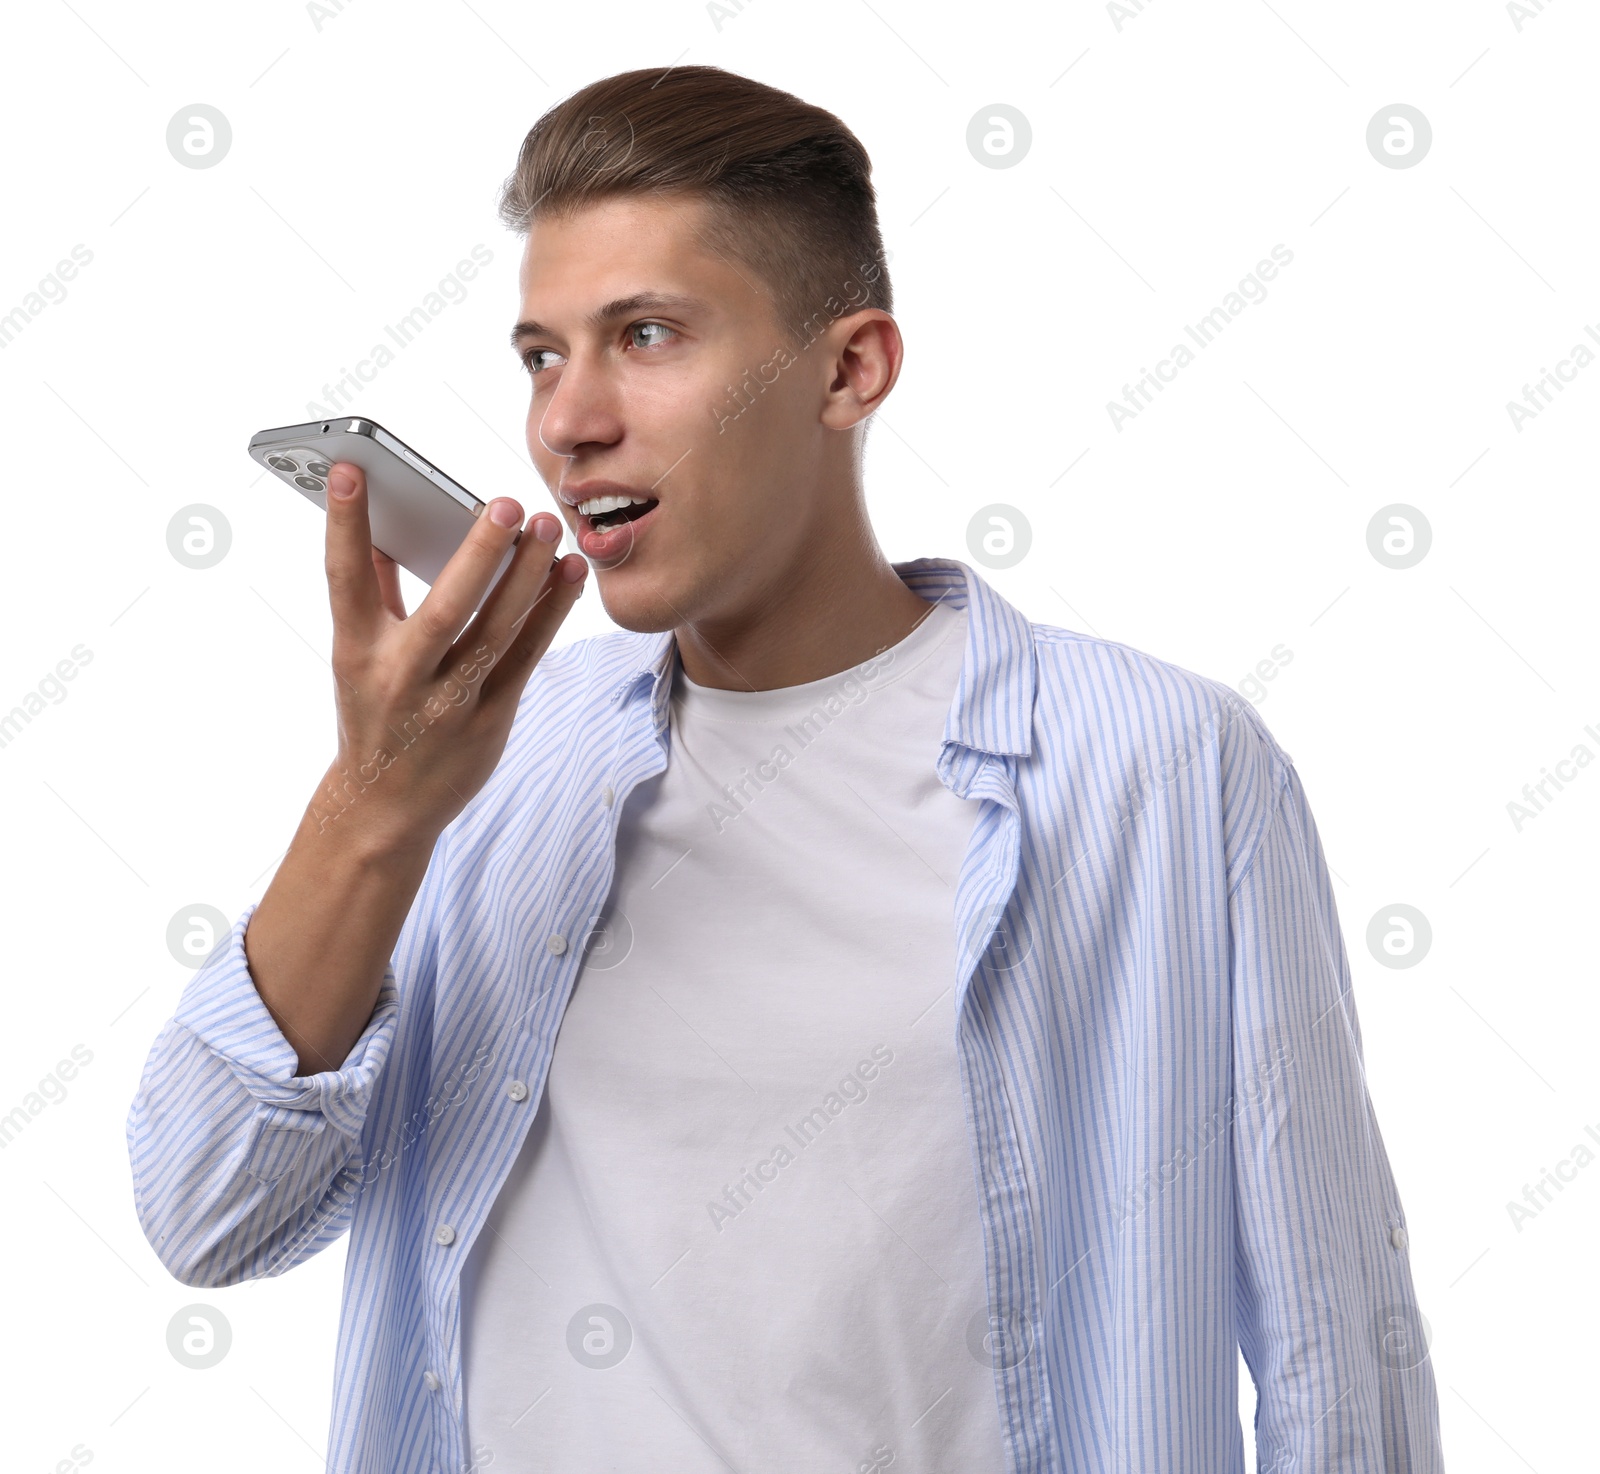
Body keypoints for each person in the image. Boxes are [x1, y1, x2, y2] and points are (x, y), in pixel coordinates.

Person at [127, 64, 1444, 1474]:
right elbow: (212, 1210)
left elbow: (1334, 1350)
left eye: (644, 335)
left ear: (848, 367)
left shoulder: (1161, 768)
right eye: (539, 354)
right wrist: (373, 814)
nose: (568, 420)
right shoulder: (493, 758)